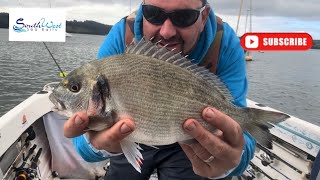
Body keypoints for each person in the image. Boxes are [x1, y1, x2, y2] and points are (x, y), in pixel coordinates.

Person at [63, 0, 256, 179]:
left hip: (189, 141)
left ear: (204, 16)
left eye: (184, 17)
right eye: (153, 14)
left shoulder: (225, 43)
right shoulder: (121, 36)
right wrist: (102, 145)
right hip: (131, 137)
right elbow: (84, 148)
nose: (166, 31)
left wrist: (230, 162)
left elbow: (242, 140)